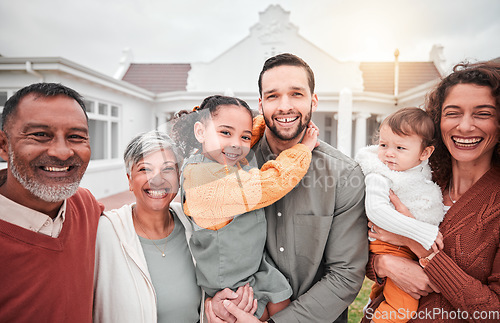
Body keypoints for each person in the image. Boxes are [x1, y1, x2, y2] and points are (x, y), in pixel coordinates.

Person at [207, 53, 369, 323]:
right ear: (260, 104)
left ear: (313, 101)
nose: (285, 106)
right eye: (272, 96)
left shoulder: (344, 174)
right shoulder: (230, 164)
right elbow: (204, 235)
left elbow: (346, 274)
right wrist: (213, 304)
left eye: (296, 94)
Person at [363, 61, 500, 322]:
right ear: (438, 122)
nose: (465, 126)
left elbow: (493, 313)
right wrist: (384, 265)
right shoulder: (414, 176)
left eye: (482, 113)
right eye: (453, 113)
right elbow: (366, 247)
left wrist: (419, 247)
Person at [170, 95, 319, 321]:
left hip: (251, 268)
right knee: (263, 310)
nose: (236, 144)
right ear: (200, 132)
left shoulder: (216, 160)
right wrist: (304, 149)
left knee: (281, 298)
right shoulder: (206, 183)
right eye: (225, 133)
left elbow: (243, 133)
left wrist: (270, 120)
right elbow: (273, 182)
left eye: (245, 137)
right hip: (230, 284)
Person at [0, 83, 104, 322]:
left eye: (76, 137)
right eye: (40, 135)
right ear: (4, 145)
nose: (62, 152)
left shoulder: (84, 205)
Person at [93, 130, 203, 322]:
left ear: (178, 176)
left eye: (167, 169)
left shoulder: (194, 224)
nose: (157, 179)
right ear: (129, 180)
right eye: (145, 169)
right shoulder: (106, 232)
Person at [354, 107, 445, 322]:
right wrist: (422, 231)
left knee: (385, 293)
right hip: (389, 246)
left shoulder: (420, 171)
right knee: (403, 306)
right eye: (383, 145)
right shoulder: (380, 175)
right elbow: (376, 210)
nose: (389, 153)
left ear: (425, 153)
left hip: (402, 247)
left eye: (400, 147)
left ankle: (374, 305)